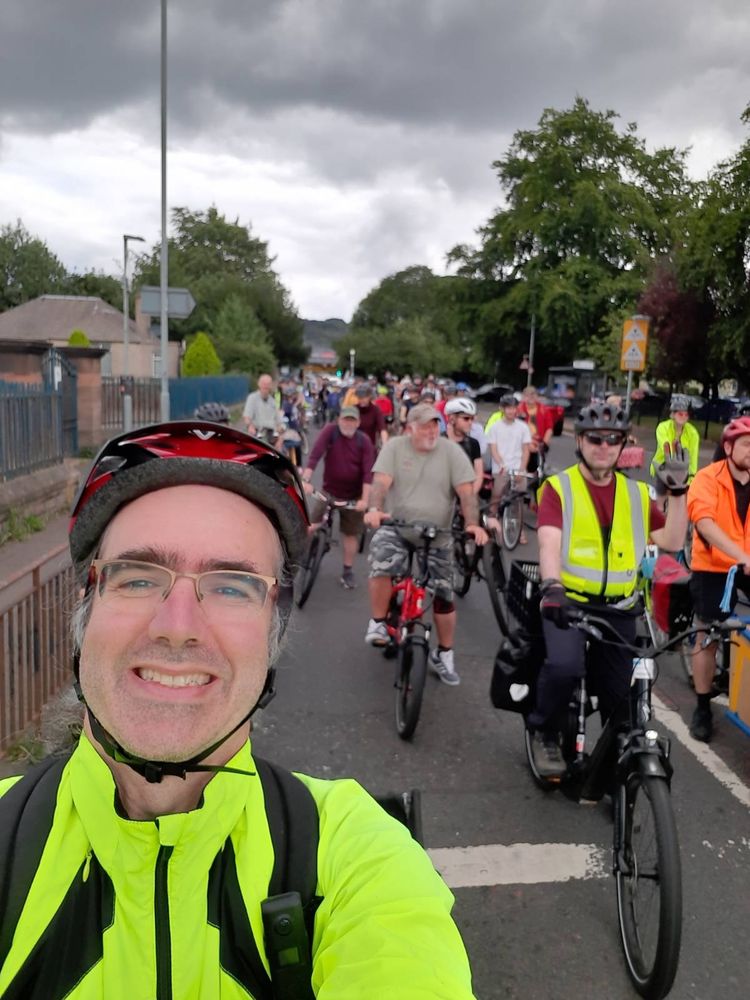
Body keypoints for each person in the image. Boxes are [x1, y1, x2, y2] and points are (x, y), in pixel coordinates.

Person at [0, 420, 476, 999]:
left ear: (273, 635)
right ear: (85, 609)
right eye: (137, 578)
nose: (177, 627)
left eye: (231, 587)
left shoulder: (354, 853)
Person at [528, 403, 689, 777]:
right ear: (580, 441)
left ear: (622, 445)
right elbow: (548, 543)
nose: (603, 446)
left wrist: (679, 492)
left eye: (612, 439)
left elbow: (671, 539)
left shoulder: (637, 494)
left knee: (620, 697)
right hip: (568, 603)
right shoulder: (559, 488)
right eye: (595, 439)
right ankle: (543, 730)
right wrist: (552, 587)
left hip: (619, 608)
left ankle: (615, 763)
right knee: (565, 667)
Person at [363, 404, 488, 686]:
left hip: (438, 534)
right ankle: (379, 622)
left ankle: (444, 653)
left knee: (444, 593)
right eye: (424, 426)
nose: (431, 431)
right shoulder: (395, 447)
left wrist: (472, 523)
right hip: (398, 526)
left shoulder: (452, 452)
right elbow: (380, 484)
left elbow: (466, 494)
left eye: (435, 425)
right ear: (410, 428)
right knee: (381, 559)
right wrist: (374, 509)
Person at [685, 415, 750, 741]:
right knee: (707, 633)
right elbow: (705, 523)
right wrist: (741, 556)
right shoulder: (707, 478)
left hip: (748, 563)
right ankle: (702, 706)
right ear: (728, 447)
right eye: (747, 444)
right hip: (714, 565)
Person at [302, 406, 375, 589]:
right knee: (310, 526)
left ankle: (347, 571)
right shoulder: (330, 431)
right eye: (345, 419)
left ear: (358, 423)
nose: (348, 423)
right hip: (329, 491)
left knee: (351, 534)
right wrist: (306, 479)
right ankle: (298, 559)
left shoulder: (364, 441)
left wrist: (364, 500)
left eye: (352, 420)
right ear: (339, 420)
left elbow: (368, 474)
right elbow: (315, 454)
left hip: (353, 496)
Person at [486, 394, 532, 543]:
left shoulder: (523, 427)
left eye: (514, 408)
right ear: (502, 409)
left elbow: (526, 450)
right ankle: (492, 524)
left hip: (517, 467)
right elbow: (493, 449)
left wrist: (522, 469)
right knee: (496, 495)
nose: (512, 411)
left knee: (518, 499)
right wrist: (501, 464)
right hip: (501, 468)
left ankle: (519, 530)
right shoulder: (495, 427)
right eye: (508, 408)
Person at [650, 393, 700, 494]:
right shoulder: (663, 427)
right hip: (663, 467)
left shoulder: (693, 433)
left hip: (683, 471)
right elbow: (666, 449)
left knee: (681, 499)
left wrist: (691, 478)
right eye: (680, 414)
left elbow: (693, 457)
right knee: (661, 496)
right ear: (672, 415)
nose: (683, 417)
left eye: (686, 415)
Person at [444, 397, 484, 494]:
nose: (470, 422)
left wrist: (470, 495)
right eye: (466, 418)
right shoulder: (439, 442)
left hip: (466, 493)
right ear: (452, 419)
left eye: (472, 419)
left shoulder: (473, 443)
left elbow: (479, 473)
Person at [517, 386, 555, 475]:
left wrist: (543, 444)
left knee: (538, 470)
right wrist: (528, 444)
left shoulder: (544, 410)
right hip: (523, 443)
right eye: (528, 395)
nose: (531, 397)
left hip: (539, 443)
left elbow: (549, 429)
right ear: (524, 397)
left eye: (533, 395)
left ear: (537, 396)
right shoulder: (518, 410)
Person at [242, 372, 284, 442]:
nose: (266, 386)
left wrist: (280, 433)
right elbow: (247, 417)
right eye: (264, 383)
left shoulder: (273, 401)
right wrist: (250, 426)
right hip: (258, 434)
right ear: (259, 384)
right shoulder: (252, 398)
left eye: (268, 384)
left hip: (271, 434)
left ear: (271, 386)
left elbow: (278, 421)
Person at [353, 383, 388, 449]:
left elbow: (382, 429)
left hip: (369, 446)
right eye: (359, 397)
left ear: (369, 397)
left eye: (364, 397)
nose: (361, 399)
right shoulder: (353, 409)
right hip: (354, 446)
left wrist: (385, 445)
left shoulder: (375, 410)